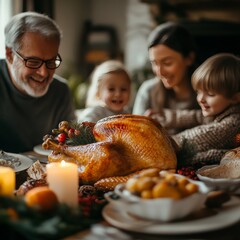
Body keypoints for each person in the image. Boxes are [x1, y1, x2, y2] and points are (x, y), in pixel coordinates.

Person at [0, 12, 75, 153]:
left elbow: (70, 147)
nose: (44, 73)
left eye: (51, 61)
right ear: (10, 55)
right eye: (33, 61)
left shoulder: (61, 91)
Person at [133, 22, 205, 135]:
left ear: (189, 58)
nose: (160, 72)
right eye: (154, 63)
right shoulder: (148, 90)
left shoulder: (209, 93)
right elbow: (135, 134)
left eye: (167, 63)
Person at [172, 53, 240, 167]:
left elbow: (195, 139)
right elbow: (197, 116)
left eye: (210, 94)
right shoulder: (222, 111)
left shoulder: (234, 123)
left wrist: (170, 141)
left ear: (234, 98)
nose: (200, 99)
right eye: (198, 91)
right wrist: (167, 117)